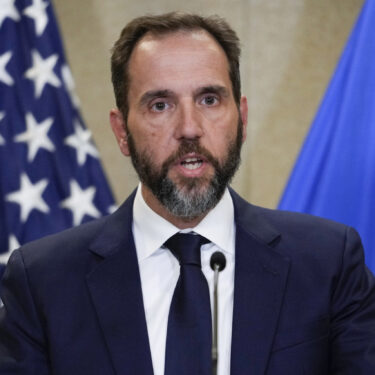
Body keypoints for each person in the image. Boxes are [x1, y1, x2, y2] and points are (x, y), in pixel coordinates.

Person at [1, 12, 375, 375]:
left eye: (209, 99)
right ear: (121, 131)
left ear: (241, 119)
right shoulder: (43, 282)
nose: (189, 128)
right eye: (160, 105)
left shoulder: (328, 263)